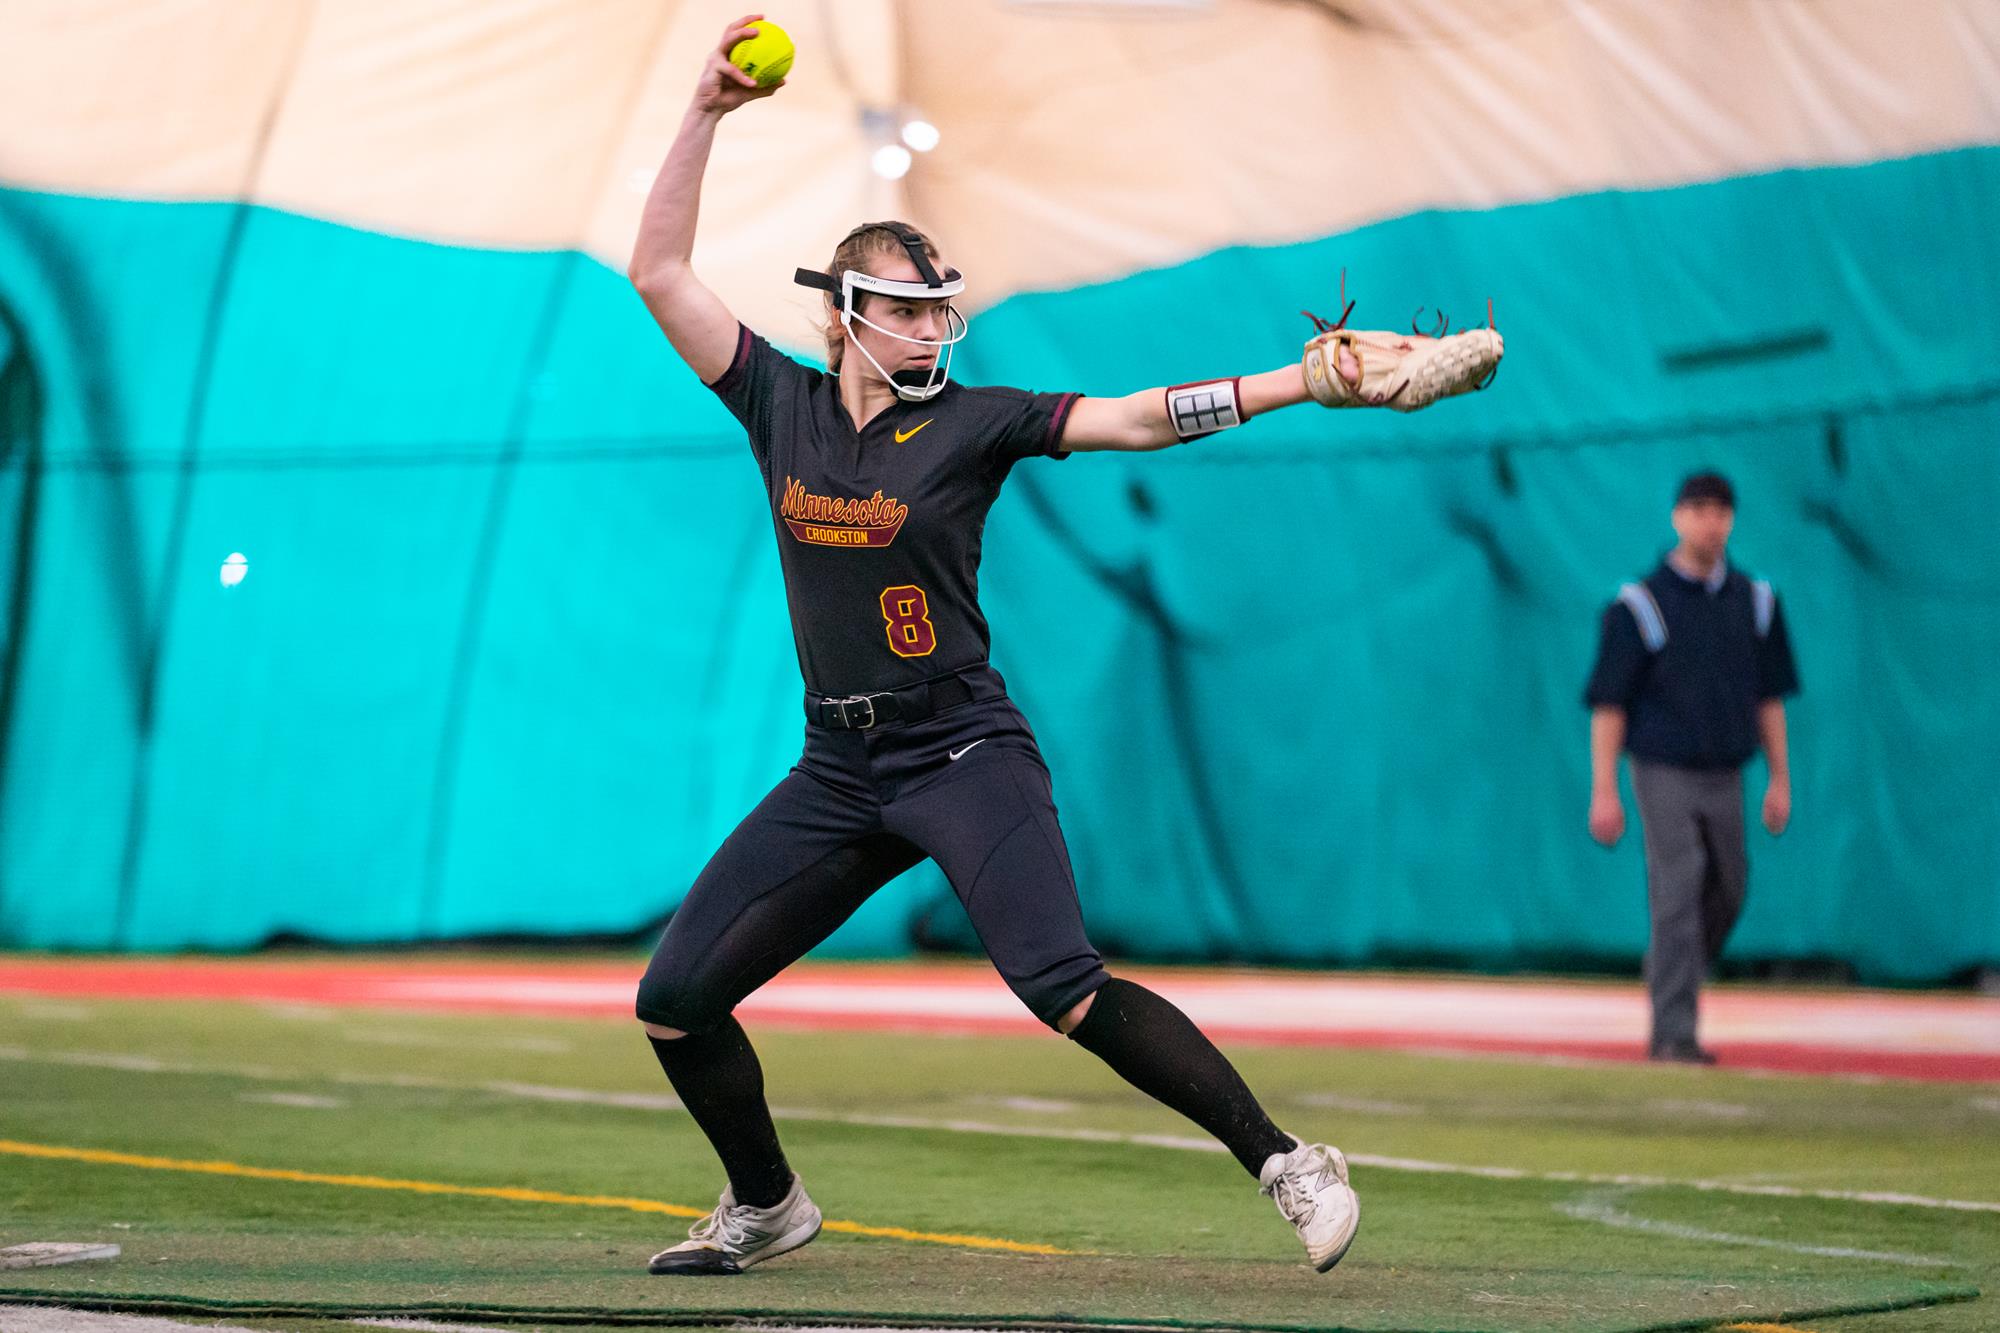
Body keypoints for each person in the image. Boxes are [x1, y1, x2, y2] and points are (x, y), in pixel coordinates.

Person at [624, 14, 1502, 1278]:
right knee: (673, 999)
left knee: (1062, 985)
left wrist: (1293, 382)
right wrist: (704, 109)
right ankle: (766, 1203)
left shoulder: (976, 420)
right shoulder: (781, 403)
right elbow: (658, 270)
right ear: (845, 312)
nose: (931, 333)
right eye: (907, 312)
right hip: (836, 766)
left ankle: (1284, 1159)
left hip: (958, 746)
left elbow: (1138, 419)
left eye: (939, 311)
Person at [1583, 471, 1800, 1064]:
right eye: (1699, 509)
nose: (1711, 522)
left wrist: (1780, 778)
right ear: (1677, 517)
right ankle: (1673, 1033)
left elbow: (1770, 698)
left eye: (1721, 511)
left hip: (1727, 769)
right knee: (1677, 889)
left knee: (1729, 886)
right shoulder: (1641, 605)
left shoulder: (1756, 602)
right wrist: (1605, 789)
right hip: (1662, 769)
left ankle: (1669, 968)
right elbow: (1609, 704)